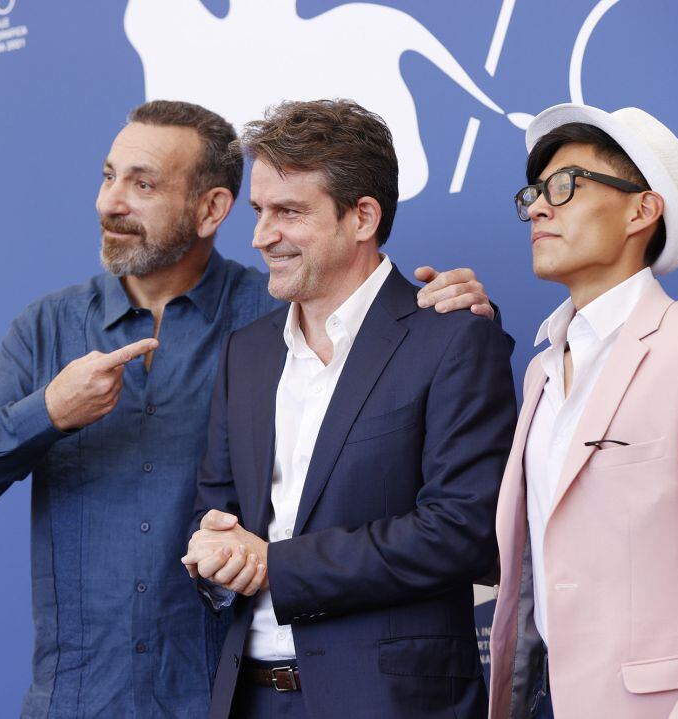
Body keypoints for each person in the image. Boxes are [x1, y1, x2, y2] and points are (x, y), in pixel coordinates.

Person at [0, 99, 494, 718]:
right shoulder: (49, 328)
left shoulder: (269, 319)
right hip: (82, 697)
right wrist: (48, 412)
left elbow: (454, 515)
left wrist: (445, 312)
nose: (110, 202)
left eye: (142, 183)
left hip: (215, 696)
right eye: (108, 176)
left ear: (210, 208)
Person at [183, 99, 517, 719]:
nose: (260, 236)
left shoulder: (452, 337)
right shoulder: (246, 354)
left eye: (289, 212)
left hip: (390, 702)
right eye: (259, 212)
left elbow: (461, 533)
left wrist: (276, 565)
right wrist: (215, 551)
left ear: (362, 216)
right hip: (246, 700)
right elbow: (218, 510)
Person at [487, 104, 678, 719]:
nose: (539, 208)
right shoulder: (542, 369)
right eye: (534, 194)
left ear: (641, 209)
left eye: (565, 186)